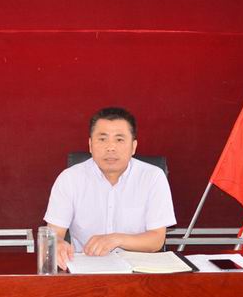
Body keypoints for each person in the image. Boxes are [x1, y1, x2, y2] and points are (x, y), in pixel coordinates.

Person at [44, 107, 176, 270]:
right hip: (87, 270)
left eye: (119, 139)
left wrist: (116, 239)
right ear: (90, 145)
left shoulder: (152, 177)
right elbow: (52, 235)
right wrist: (57, 243)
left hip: (139, 272)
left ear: (133, 147)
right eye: (102, 139)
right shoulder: (69, 179)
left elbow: (156, 240)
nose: (111, 147)